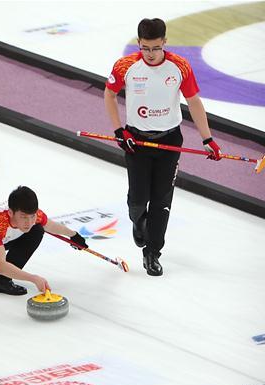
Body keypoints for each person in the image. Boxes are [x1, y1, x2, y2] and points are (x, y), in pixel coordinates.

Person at [104, 17, 220, 277]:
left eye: (156, 48)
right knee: (138, 199)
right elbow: (109, 94)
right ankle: (137, 219)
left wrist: (207, 138)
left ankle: (152, 252)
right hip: (137, 141)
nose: (151, 54)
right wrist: (118, 131)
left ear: (165, 43)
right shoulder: (126, 66)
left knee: (162, 200)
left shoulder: (179, 66)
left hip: (169, 140)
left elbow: (193, 102)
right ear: (139, 44)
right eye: (145, 48)